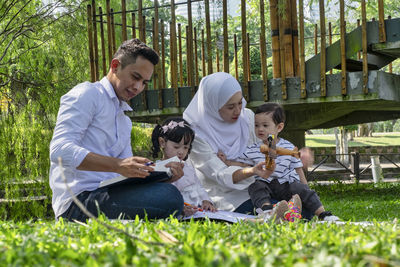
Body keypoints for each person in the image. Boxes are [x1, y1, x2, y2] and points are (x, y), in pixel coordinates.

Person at [49, 39, 184, 222]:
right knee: (169, 197)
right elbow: (59, 151)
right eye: (135, 77)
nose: (138, 88)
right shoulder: (86, 94)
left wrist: (162, 175)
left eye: (144, 82)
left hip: (109, 193)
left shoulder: (124, 119)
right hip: (78, 201)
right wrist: (117, 165)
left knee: (169, 192)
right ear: (115, 66)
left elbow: (126, 173)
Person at [183, 72, 314, 219]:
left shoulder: (247, 117)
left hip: (262, 186)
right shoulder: (195, 133)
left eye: (240, 102)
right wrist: (252, 170)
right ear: (213, 105)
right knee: (278, 210)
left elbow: (266, 147)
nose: (238, 111)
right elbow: (220, 175)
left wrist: (290, 155)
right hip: (227, 195)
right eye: (230, 106)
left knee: (306, 209)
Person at [221, 103, 339, 221]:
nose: (260, 129)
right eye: (256, 125)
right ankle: (267, 211)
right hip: (266, 185)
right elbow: (243, 165)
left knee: (300, 188)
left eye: (265, 125)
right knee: (255, 187)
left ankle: (323, 214)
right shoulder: (252, 149)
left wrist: (305, 188)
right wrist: (227, 161)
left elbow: (298, 169)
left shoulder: (288, 147)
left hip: (286, 185)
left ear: (279, 127)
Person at [151, 117, 217, 216]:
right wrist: (181, 208)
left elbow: (198, 186)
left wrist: (206, 201)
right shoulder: (159, 169)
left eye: (186, 147)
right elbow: (165, 195)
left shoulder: (188, 167)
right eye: (176, 147)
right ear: (162, 142)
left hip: (198, 210)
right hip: (179, 210)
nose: (181, 152)